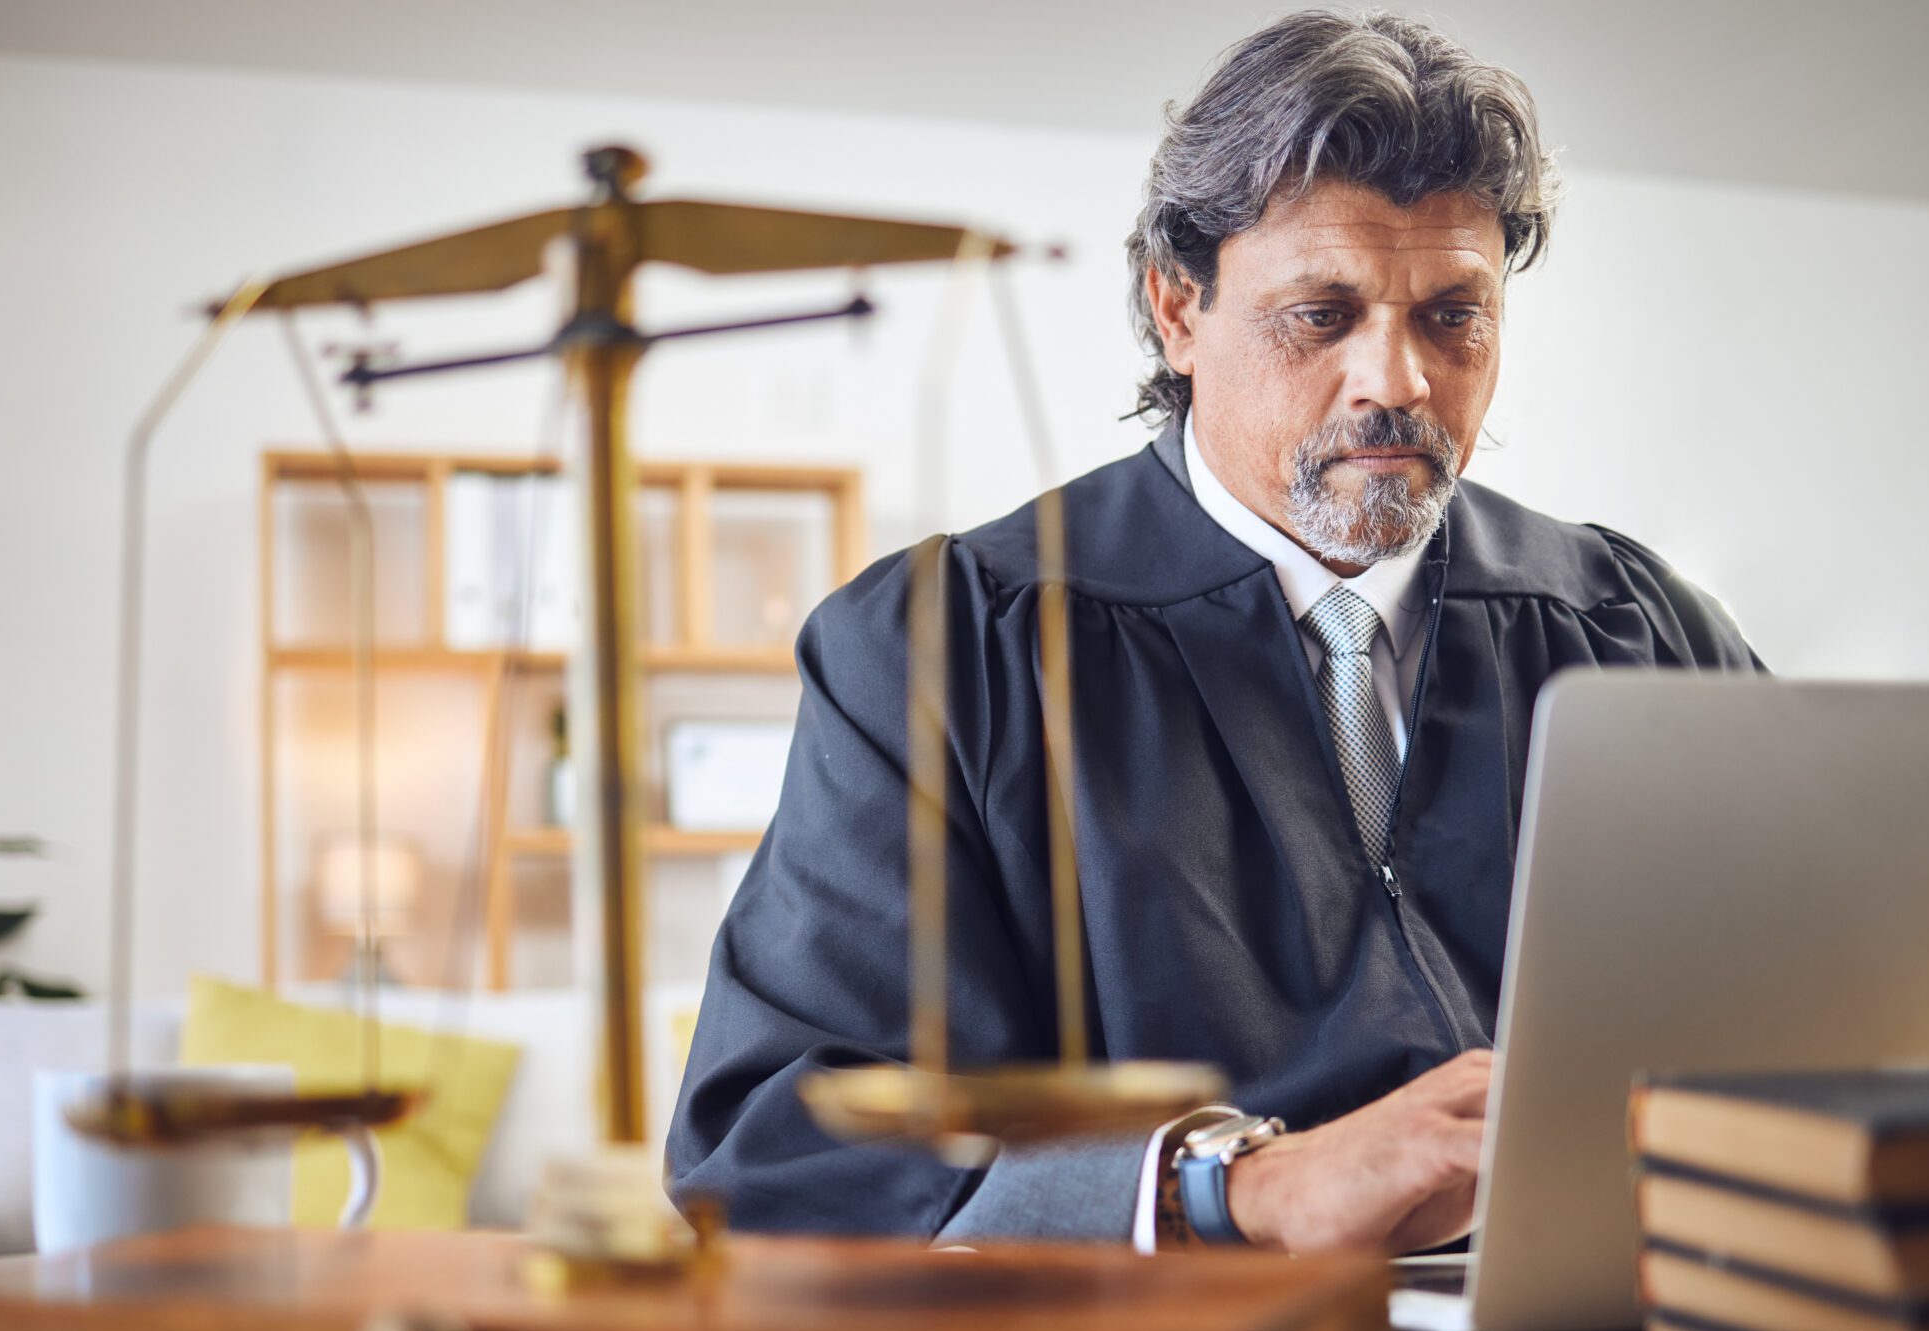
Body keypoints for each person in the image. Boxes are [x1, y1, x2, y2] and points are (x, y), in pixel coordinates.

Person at [666, 9, 1760, 1253]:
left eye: (1453, 316)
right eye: (1322, 314)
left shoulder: (1637, 624)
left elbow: (1838, 1005)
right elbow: (766, 1146)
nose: (1395, 380)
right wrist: (1230, 1189)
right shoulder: (939, 651)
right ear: (1178, 311)